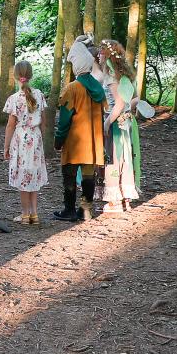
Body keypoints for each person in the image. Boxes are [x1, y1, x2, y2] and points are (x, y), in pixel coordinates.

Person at [54, 42, 107, 222]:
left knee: (69, 173)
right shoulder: (98, 88)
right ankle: (86, 209)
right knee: (87, 174)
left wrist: (58, 139)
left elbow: (65, 119)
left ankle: (69, 210)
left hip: (74, 140)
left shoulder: (72, 88)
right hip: (92, 140)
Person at [2, 60, 48, 224]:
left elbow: (10, 125)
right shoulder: (39, 95)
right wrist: (42, 140)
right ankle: (34, 214)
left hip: (21, 139)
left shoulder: (14, 99)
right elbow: (43, 121)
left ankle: (25, 213)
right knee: (33, 175)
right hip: (35, 138)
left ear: (15, 76)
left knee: (23, 176)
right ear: (31, 75)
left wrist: (6, 146)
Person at [99, 40, 141, 213]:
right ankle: (125, 199)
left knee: (113, 160)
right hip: (126, 122)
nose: (98, 55)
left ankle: (115, 201)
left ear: (107, 55)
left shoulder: (112, 77)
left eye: (101, 52)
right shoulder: (126, 75)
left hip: (116, 122)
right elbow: (136, 99)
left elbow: (118, 103)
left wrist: (107, 123)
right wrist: (127, 111)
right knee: (124, 158)